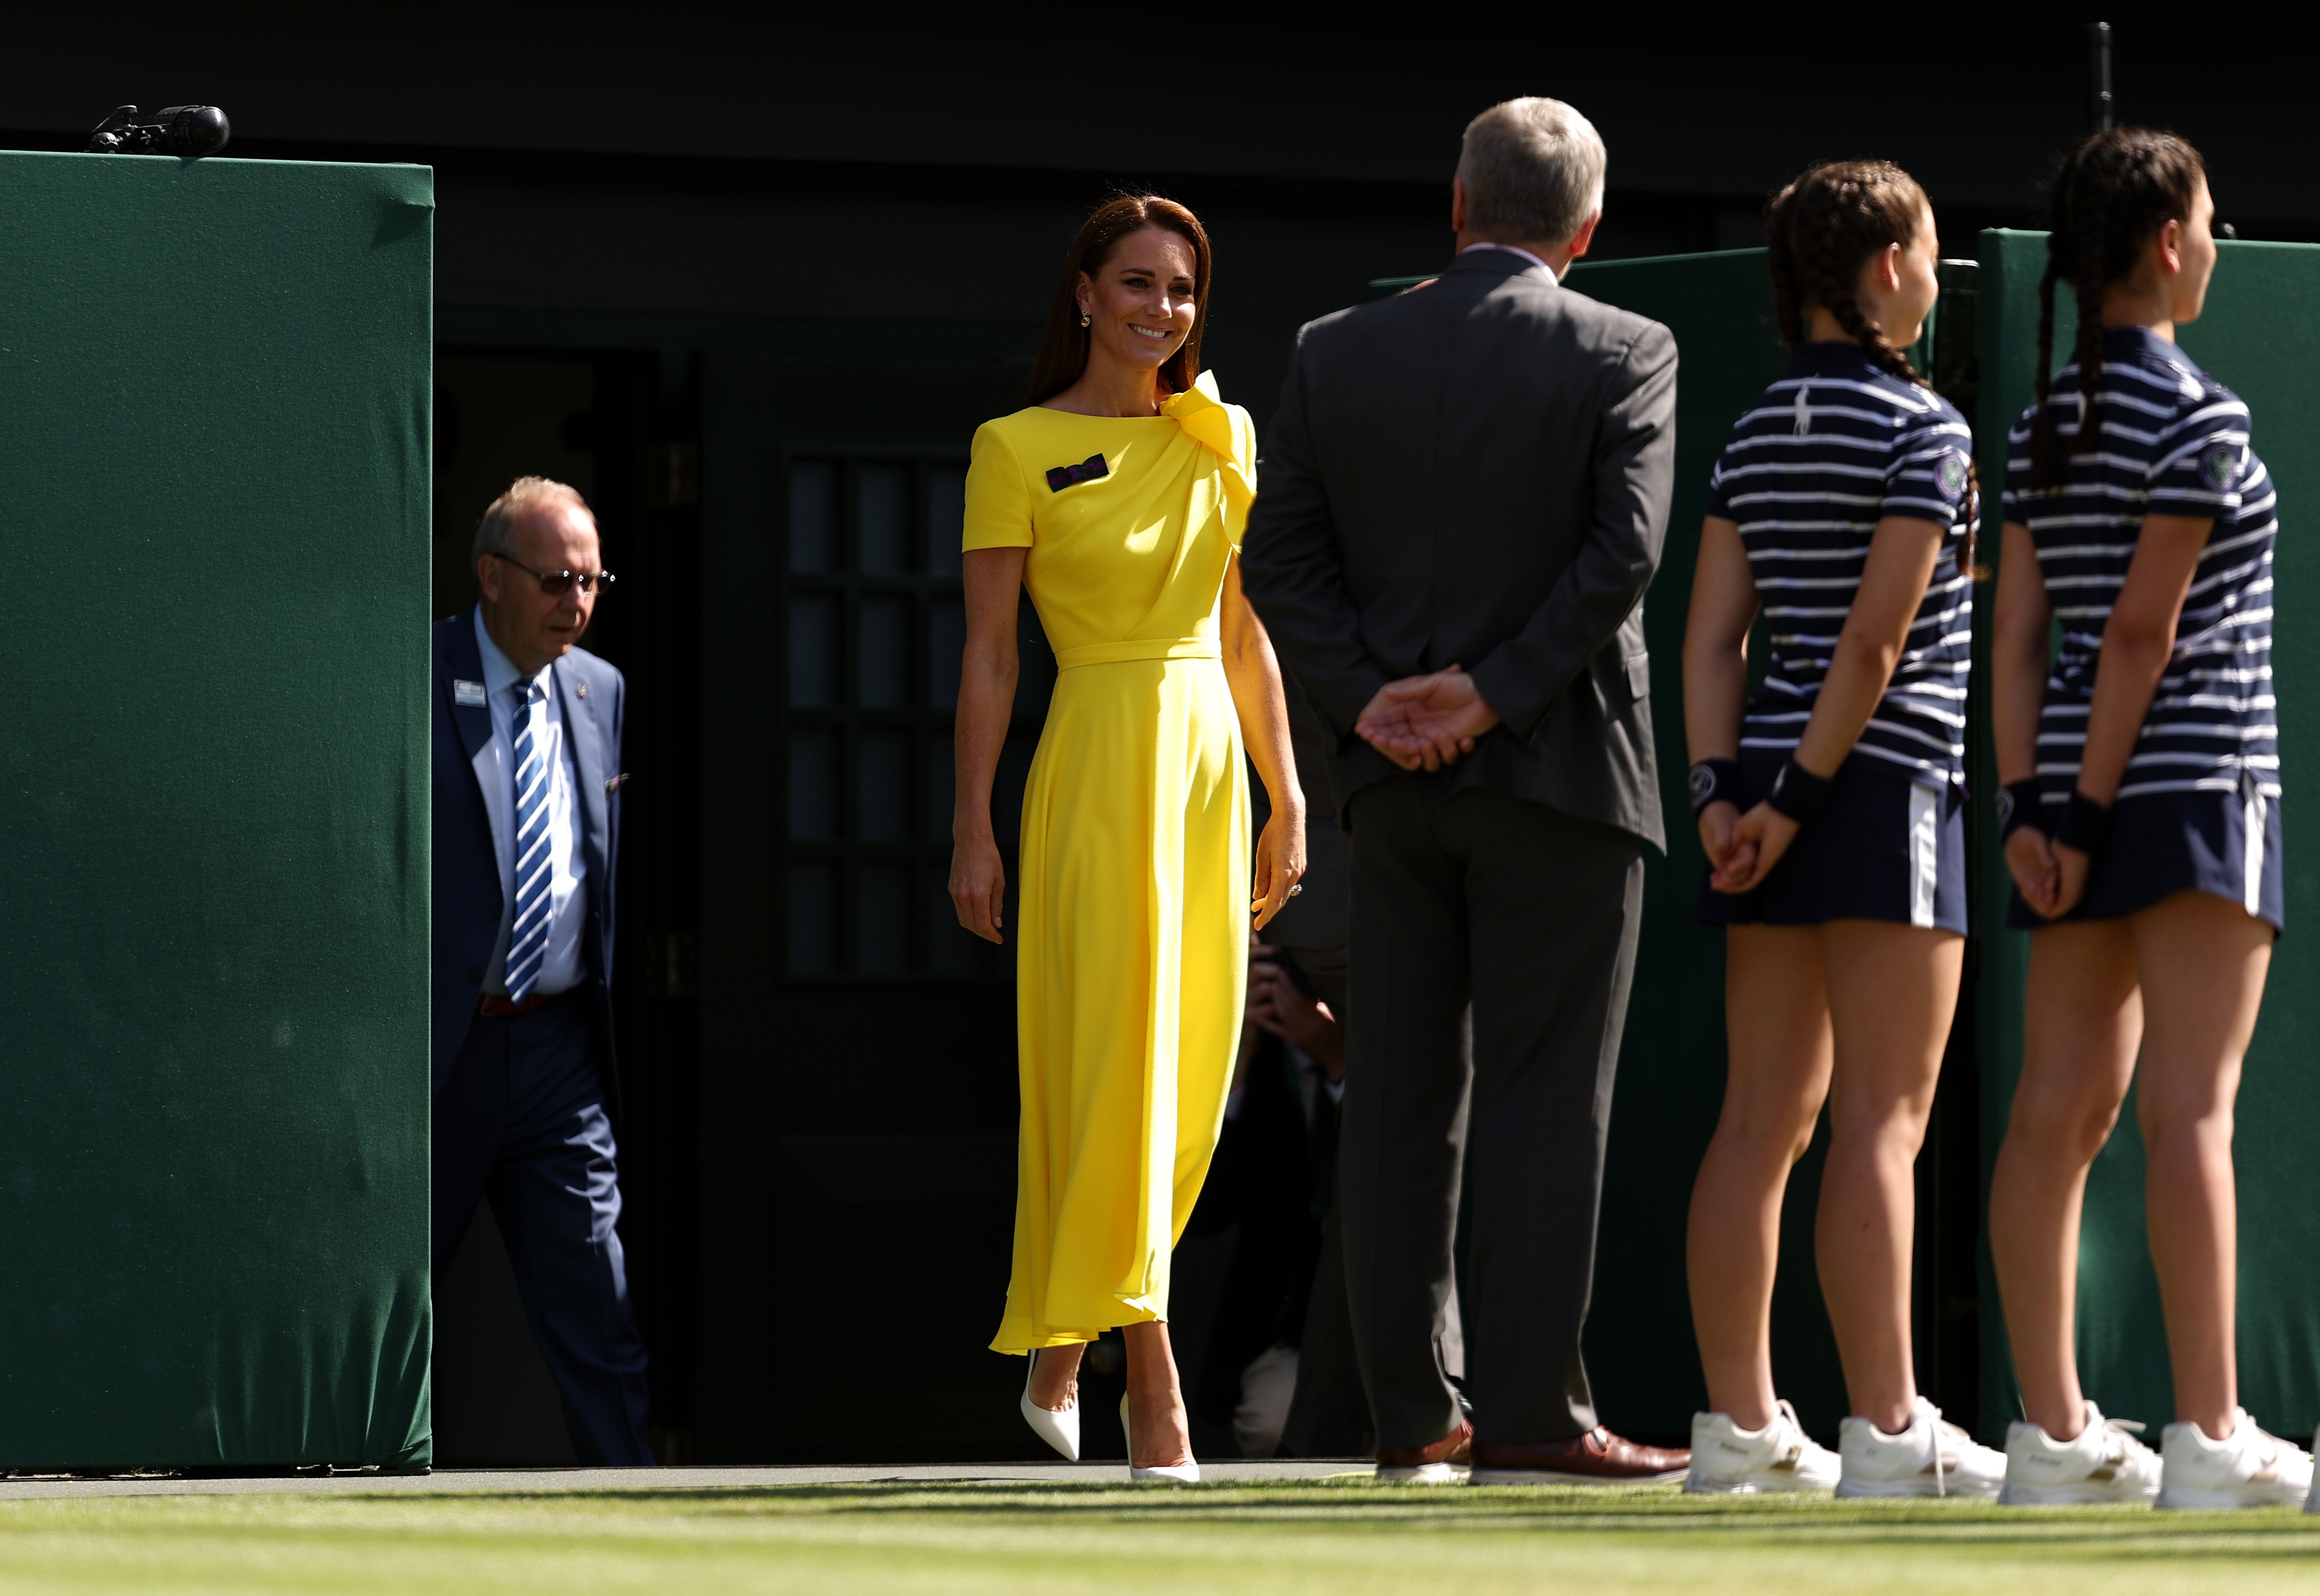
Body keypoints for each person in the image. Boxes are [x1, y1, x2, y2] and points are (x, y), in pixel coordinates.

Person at [1241, 97, 1687, 1486]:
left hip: (1388, 780)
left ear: (1455, 204)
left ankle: (1410, 1421)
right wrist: (1489, 692)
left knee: (1395, 1101)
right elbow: (1625, 556)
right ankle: (1537, 1417)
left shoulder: (1333, 352)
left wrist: (1376, 696)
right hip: (1562, 773)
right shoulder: (1626, 346)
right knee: (1550, 1096)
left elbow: (1280, 567)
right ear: (1587, 229)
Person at [950, 195, 1307, 1484]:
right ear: (1086, 294)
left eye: (1185, 290)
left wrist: (1288, 788)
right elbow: (991, 658)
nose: (1165, 309)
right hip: (1095, 766)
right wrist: (970, 826)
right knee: (1113, 1068)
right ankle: (1150, 1383)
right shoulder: (1013, 443)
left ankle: (1065, 1329)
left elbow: (1241, 628)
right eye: (1141, 284)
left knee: (1193, 1080)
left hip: (1210, 767)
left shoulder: (1227, 433)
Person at [1984, 127, 2313, 1510]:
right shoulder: (2202, 414)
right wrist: (2082, 805)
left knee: (2055, 1112)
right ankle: (2208, 1433)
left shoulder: (2040, 422)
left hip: (2074, 798)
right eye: (2211, 220)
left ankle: (2052, 1440)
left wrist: (2032, 810)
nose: (2221, 244)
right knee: (2191, 1113)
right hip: (2187, 792)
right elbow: (2136, 632)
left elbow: (2018, 642)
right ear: (2166, 246)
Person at [1679, 160, 2001, 1498]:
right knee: (1882, 1122)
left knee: (1761, 1116)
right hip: (1876, 793)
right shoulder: (1929, 431)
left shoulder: (1753, 429)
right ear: (1882, 271)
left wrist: (1723, 799)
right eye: (1925, 254)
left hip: (1759, 789)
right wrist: (1798, 800)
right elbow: (1874, 644)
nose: (1932, 280)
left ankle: (1740, 1431)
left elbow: (1708, 641)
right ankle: (1888, 1430)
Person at [430, 476, 651, 1464]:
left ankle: (639, 1514)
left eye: (594, 579)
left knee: (598, 1305)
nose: (578, 600)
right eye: (558, 579)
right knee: (391, 1303)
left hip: (559, 1050)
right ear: (491, 577)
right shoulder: (414, 673)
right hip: (442, 1044)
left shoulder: (599, 689)